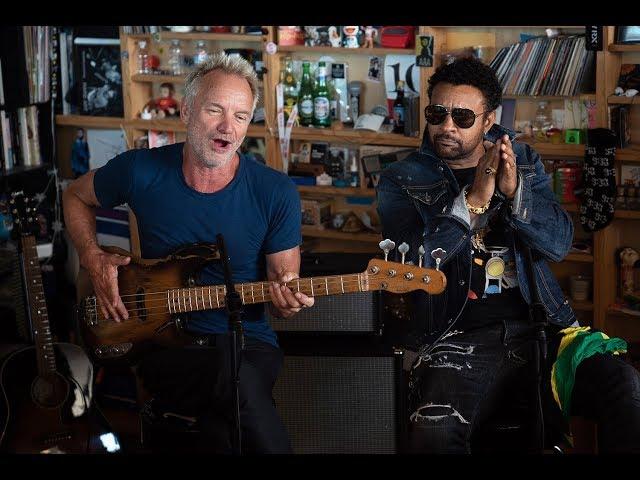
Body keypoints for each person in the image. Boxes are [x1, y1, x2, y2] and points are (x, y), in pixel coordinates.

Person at [376, 57, 640, 453]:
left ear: (488, 119)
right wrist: (472, 203)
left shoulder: (523, 159)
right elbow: (411, 264)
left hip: (541, 327)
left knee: (625, 385)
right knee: (434, 433)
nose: (447, 126)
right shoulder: (402, 179)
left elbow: (558, 243)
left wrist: (517, 194)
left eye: (463, 117)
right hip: (456, 336)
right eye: (437, 113)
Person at [63, 52, 314, 454]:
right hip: (165, 344)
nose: (227, 128)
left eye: (241, 116)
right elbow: (75, 194)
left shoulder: (275, 191)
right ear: (186, 111)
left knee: (235, 389)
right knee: (234, 391)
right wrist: (93, 257)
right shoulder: (139, 170)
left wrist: (288, 301)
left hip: (249, 343)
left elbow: (284, 289)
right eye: (215, 110)